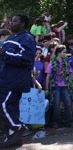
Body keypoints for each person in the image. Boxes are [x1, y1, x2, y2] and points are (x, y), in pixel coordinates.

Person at [0, 14, 36, 148]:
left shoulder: (27, 37)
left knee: (2, 104)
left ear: (22, 24)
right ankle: (13, 139)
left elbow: (26, 58)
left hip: (14, 80)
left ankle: (18, 127)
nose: (11, 23)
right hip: (6, 78)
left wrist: (4, 53)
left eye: (14, 21)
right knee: (12, 108)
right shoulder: (11, 38)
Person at [45, 45, 73, 128]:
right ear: (58, 53)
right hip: (56, 86)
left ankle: (69, 121)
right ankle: (56, 121)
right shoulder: (52, 63)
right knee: (56, 104)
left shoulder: (66, 63)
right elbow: (48, 76)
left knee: (68, 102)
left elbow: (70, 74)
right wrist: (46, 88)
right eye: (63, 52)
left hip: (65, 86)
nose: (65, 54)